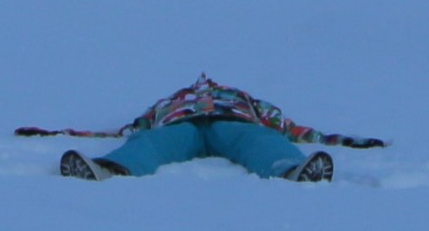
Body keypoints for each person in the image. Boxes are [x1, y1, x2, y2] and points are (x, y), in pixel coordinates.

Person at [20, 77, 377, 182]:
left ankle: (292, 171)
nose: (204, 87)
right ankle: (108, 170)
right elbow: (131, 130)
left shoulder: (243, 99)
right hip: (183, 127)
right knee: (151, 143)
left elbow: (287, 127)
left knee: (262, 141)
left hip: (233, 125)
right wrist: (60, 133)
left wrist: (346, 141)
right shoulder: (169, 103)